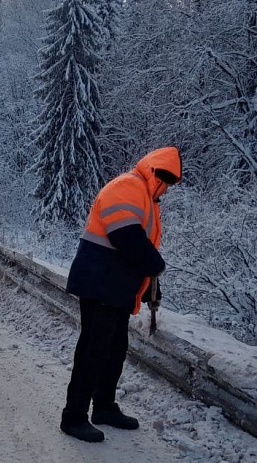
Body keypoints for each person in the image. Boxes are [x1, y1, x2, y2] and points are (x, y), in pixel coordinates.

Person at [61, 147, 182, 443]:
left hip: (114, 285)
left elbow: (136, 246)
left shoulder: (147, 197)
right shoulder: (128, 186)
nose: (166, 189)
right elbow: (124, 234)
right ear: (156, 173)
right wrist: (155, 265)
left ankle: (104, 407)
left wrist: (148, 282)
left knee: (114, 349)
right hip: (99, 281)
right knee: (93, 350)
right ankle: (74, 416)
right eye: (165, 182)